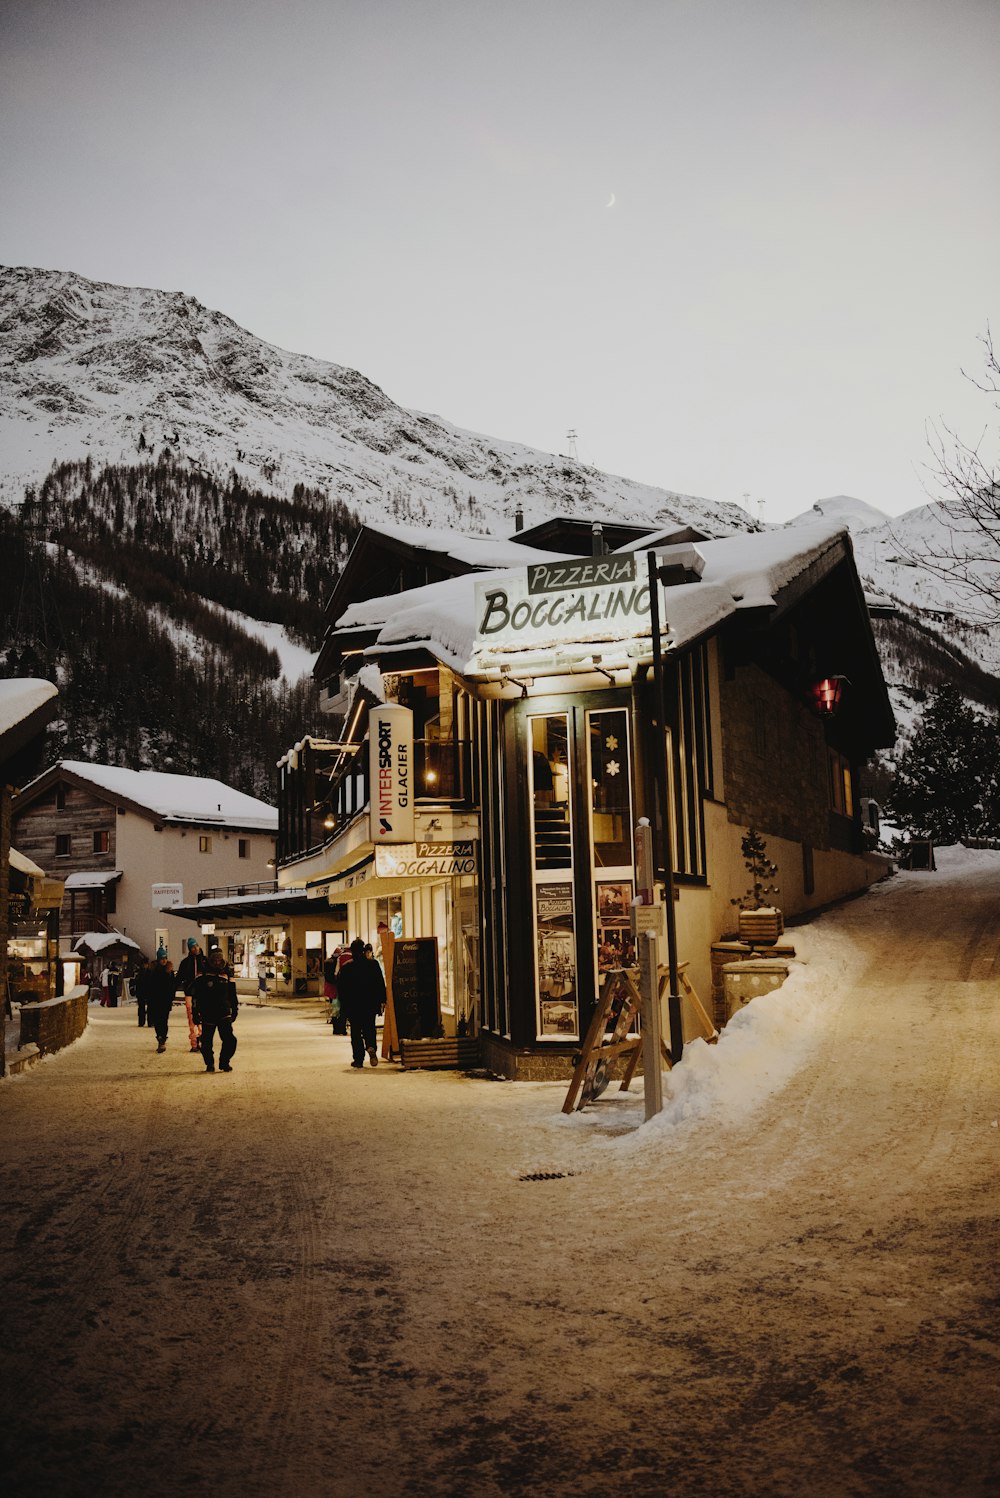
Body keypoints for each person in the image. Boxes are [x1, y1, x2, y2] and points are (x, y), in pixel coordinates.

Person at [337, 937, 385, 1068]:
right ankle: (371, 1046)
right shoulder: (373, 964)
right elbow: (380, 983)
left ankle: (358, 1059)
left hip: (353, 1005)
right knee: (369, 1027)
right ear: (363, 951)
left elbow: (341, 988)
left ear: (352, 951)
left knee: (356, 1032)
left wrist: (344, 1005)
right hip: (370, 1004)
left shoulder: (347, 967)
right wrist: (382, 1000)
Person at [191, 948, 239, 1073]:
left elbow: (232, 993)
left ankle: (224, 1062)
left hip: (224, 1011)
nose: (217, 962)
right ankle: (209, 1064)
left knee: (230, 1040)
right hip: (208, 1012)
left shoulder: (227, 972)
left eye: (219, 959)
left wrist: (235, 1008)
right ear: (211, 960)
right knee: (206, 1042)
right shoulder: (203, 973)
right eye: (215, 959)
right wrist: (195, 1011)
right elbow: (196, 994)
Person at [176, 938, 204, 1054]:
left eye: (196, 946)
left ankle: (202, 1040)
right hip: (190, 994)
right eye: (193, 947)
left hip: (202, 994)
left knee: (203, 1018)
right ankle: (194, 1043)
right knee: (192, 1019)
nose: (195, 948)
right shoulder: (185, 963)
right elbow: (178, 978)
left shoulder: (205, 961)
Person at [147, 955, 176, 1053]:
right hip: (155, 1000)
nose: (164, 960)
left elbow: (173, 985)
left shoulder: (169, 972)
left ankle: (162, 1039)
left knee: (164, 1020)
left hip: (165, 1000)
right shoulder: (152, 971)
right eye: (162, 958)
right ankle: (159, 1037)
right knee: (157, 1021)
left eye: (165, 958)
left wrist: (171, 997)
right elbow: (149, 986)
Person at [133, 956, 154, 1027]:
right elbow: (135, 982)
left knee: (150, 1008)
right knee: (141, 1008)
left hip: (149, 992)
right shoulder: (139, 973)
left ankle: (150, 1022)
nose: (145, 966)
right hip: (141, 992)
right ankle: (141, 1022)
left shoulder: (150, 972)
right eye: (144, 964)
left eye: (146, 964)